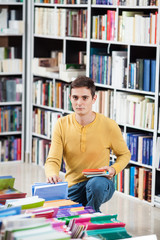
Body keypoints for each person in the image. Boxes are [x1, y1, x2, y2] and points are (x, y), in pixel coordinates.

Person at [45, 76, 131, 212]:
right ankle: (91, 213)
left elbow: (124, 154)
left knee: (96, 184)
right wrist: (51, 174)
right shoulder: (61, 124)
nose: (79, 103)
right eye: (75, 98)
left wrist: (114, 169)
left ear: (94, 99)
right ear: (70, 98)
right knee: (54, 211)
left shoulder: (109, 125)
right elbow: (53, 160)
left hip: (101, 183)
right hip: (74, 186)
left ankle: (91, 214)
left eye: (85, 98)